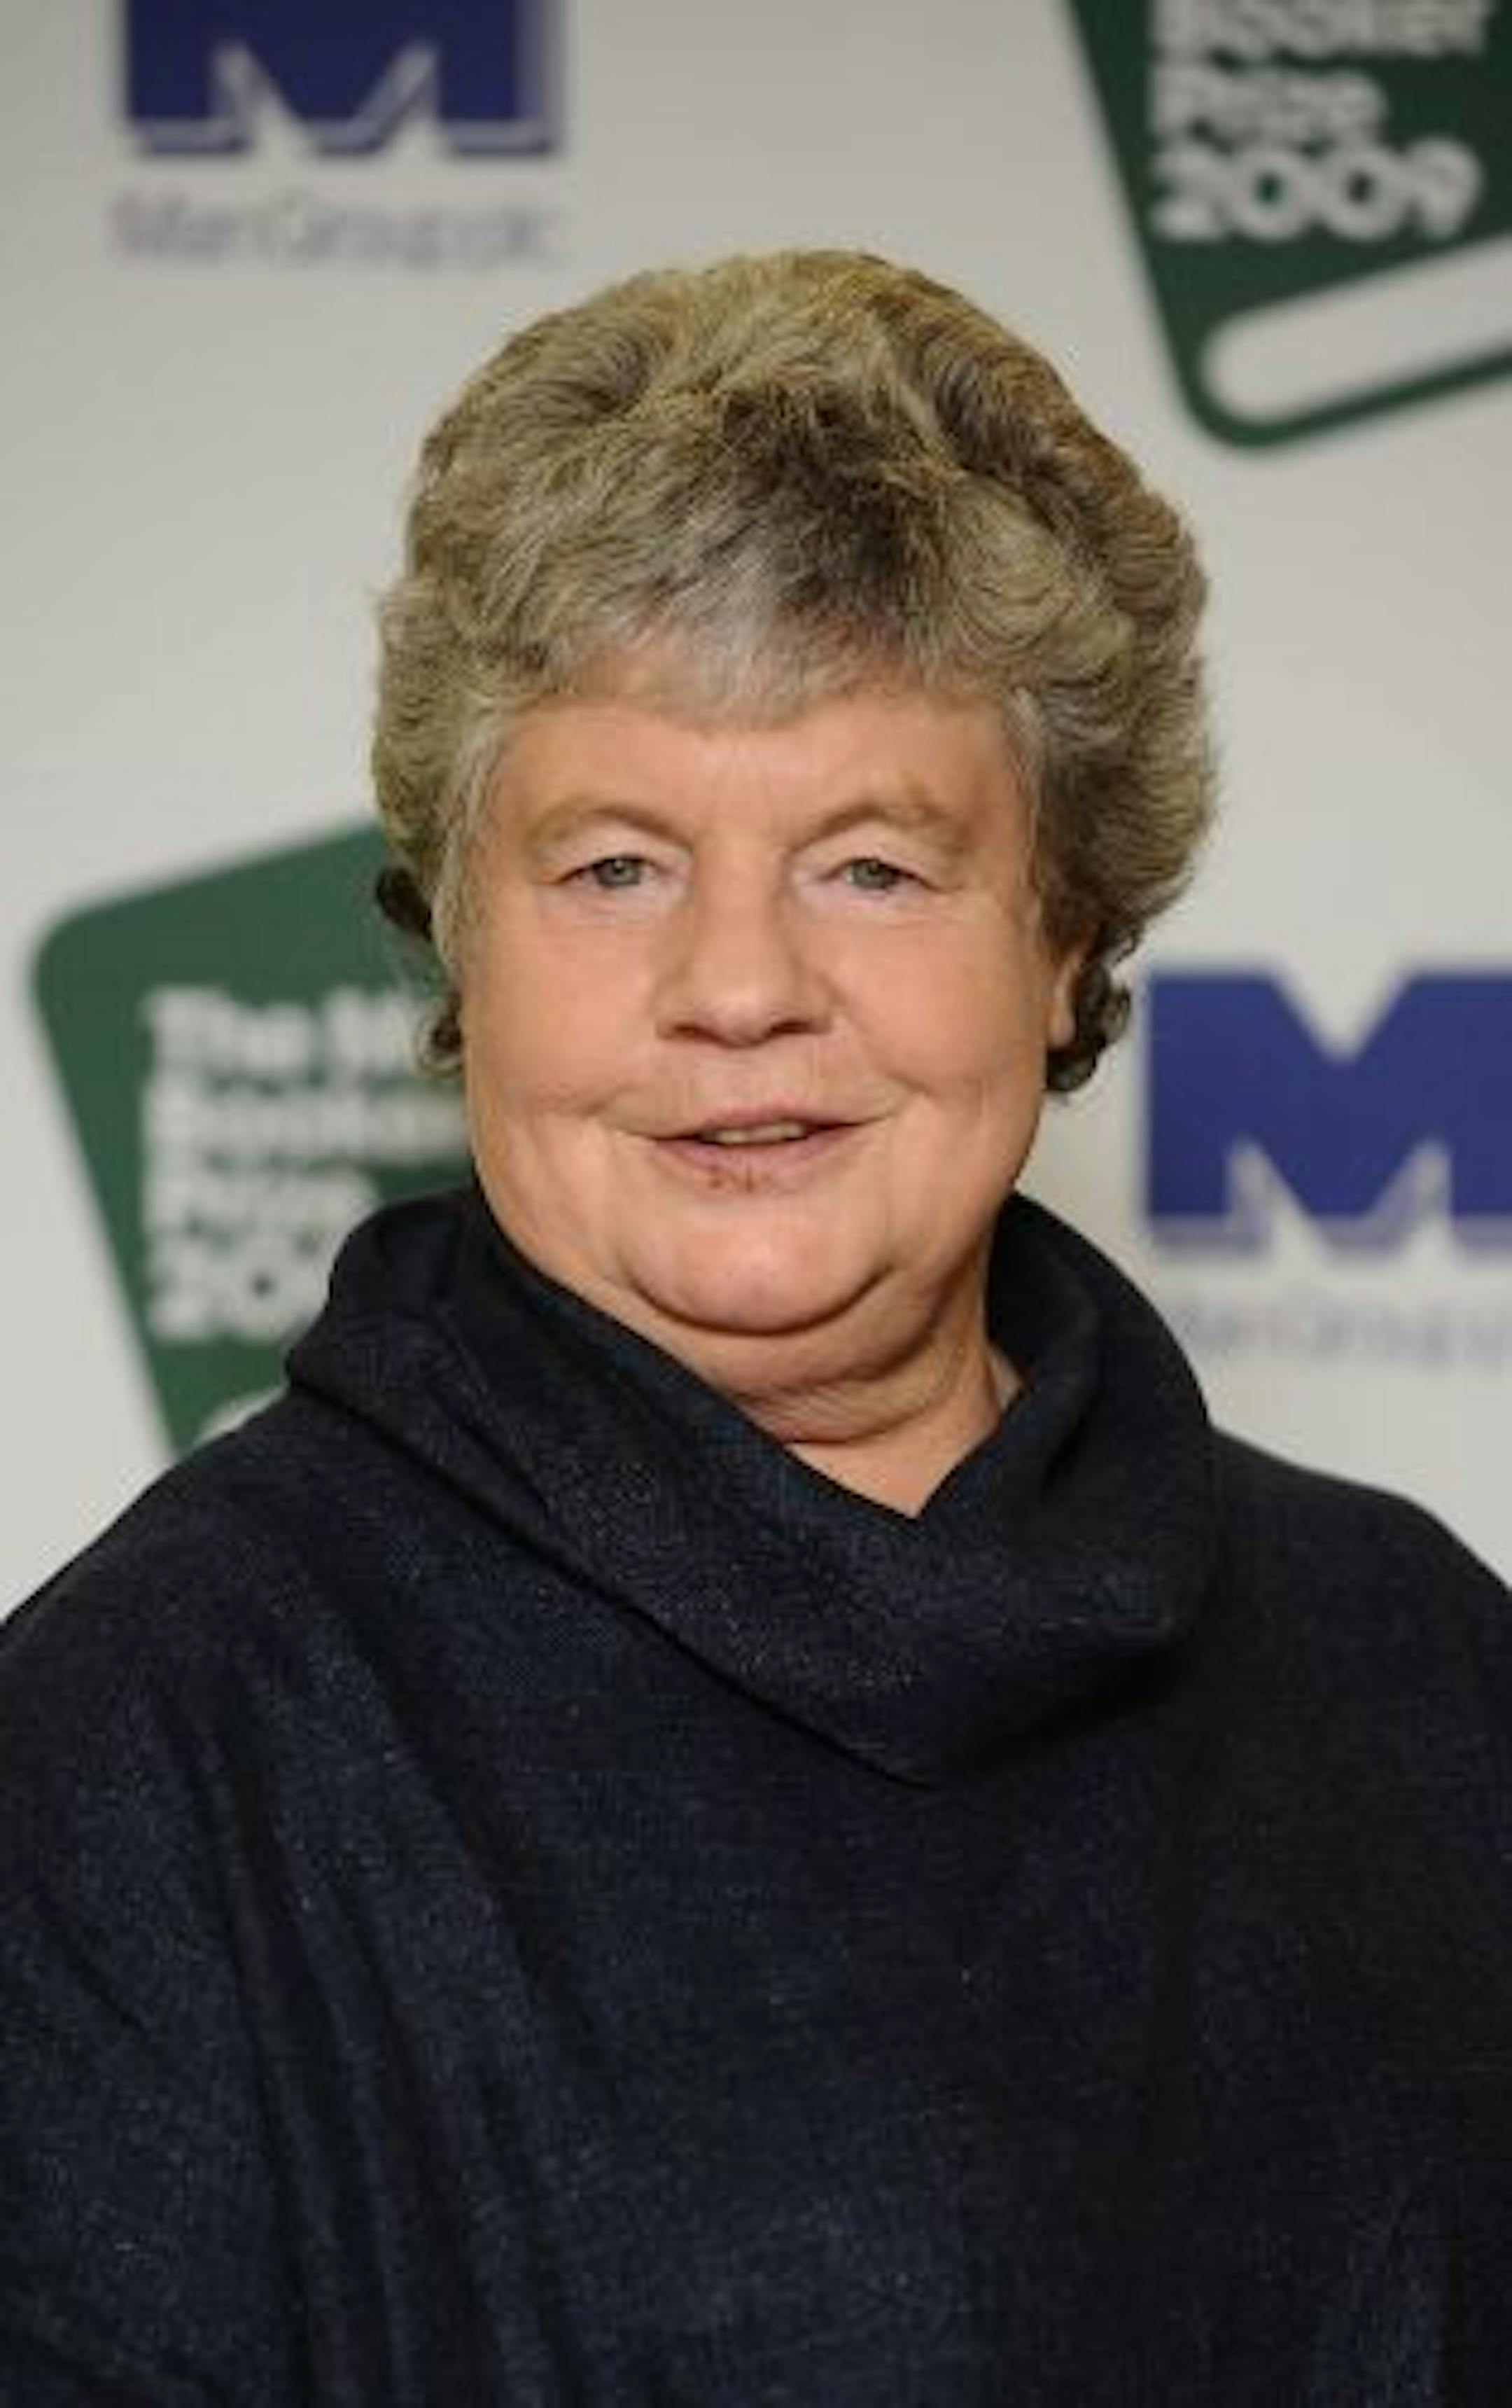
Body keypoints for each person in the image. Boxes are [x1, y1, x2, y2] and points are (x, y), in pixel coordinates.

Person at [2, 249, 1509, 2406]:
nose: (737, 989)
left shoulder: (1421, 1667)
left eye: (874, 868)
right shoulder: (144, 1754)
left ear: (1067, 946)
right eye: (614, 867)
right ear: (460, 948)